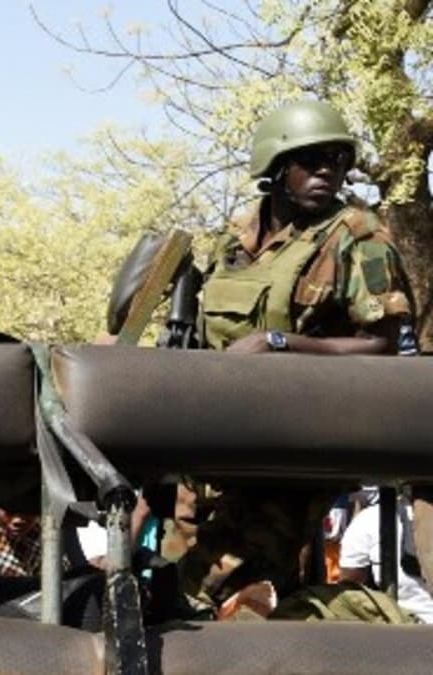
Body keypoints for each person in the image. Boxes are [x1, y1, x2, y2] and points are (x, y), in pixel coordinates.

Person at [174, 100, 416, 619]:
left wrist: (280, 345)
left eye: (338, 159)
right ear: (277, 167)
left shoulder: (358, 236)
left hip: (289, 451)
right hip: (211, 445)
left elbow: (383, 345)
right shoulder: (232, 243)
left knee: (235, 592)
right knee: (173, 597)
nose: (329, 170)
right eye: (313, 158)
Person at [339, 497, 433, 623]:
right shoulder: (370, 519)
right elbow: (351, 585)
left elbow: (350, 587)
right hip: (405, 624)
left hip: (401, 625)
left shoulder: (371, 518)